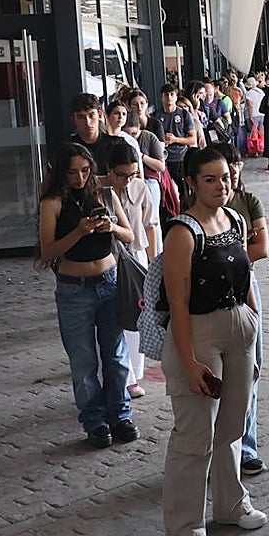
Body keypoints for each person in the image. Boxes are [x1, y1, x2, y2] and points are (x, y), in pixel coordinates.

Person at [160, 148, 265, 536]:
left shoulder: (235, 219)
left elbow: (246, 274)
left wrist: (253, 321)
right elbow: (178, 302)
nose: (221, 186)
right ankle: (183, 527)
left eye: (225, 177)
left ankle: (231, 503)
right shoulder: (182, 233)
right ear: (191, 183)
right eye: (210, 179)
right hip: (199, 333)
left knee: (233, 425)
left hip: (239, 328)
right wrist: (189, 363)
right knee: (194, 435)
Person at [38, 143, 139, 449]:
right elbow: (47, 252)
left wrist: (112, 227)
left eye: (84, 171)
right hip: (74, 288)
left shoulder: (104, 194)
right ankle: (94, 421)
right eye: (72, 172)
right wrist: (78, 232)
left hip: (109, 282)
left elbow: (130, 235)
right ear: (61, 173)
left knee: (116, 356)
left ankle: (120, 415)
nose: (80, 178)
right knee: (83, 362)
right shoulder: (53, 202)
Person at [211, 142, 269, 477]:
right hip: (211, 297)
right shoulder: (199, 213)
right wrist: (238, 251)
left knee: (251, 368)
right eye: (221, 169)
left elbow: (262, 248)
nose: (230, 173)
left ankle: (246, 447)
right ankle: (216, 448)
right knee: (217, 373)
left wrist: (226, 256)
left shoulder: (247, 203)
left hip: (246, 286)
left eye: (234, 166)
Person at [107, 143, 160, 400]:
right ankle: (119, 376)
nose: (128, 180)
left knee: (136, 315)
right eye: (122, 175)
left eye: (133, 174)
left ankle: (133, 377)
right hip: (109, 259)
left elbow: (151, 225)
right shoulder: (100, 192)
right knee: (111, 318)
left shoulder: (140, 187)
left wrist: (154, 264)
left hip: (136, 255)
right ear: (110, 171)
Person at [69, 93, 123, 178]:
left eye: (91, 115)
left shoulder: (117, 144)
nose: (87, 122)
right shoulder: (67, 149)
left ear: (100, 115)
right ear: (73, 120)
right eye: (81, 117)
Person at [160, 84, 197, 189]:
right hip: (163, 159)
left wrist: (175, 139)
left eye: (172, 94)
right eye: (166, 95)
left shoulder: (184, 114)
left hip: (180, 158)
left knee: (184, 189)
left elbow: (192, 139)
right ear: (162, 97)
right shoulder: (156, 116)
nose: (169, 97)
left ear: (176, 97)